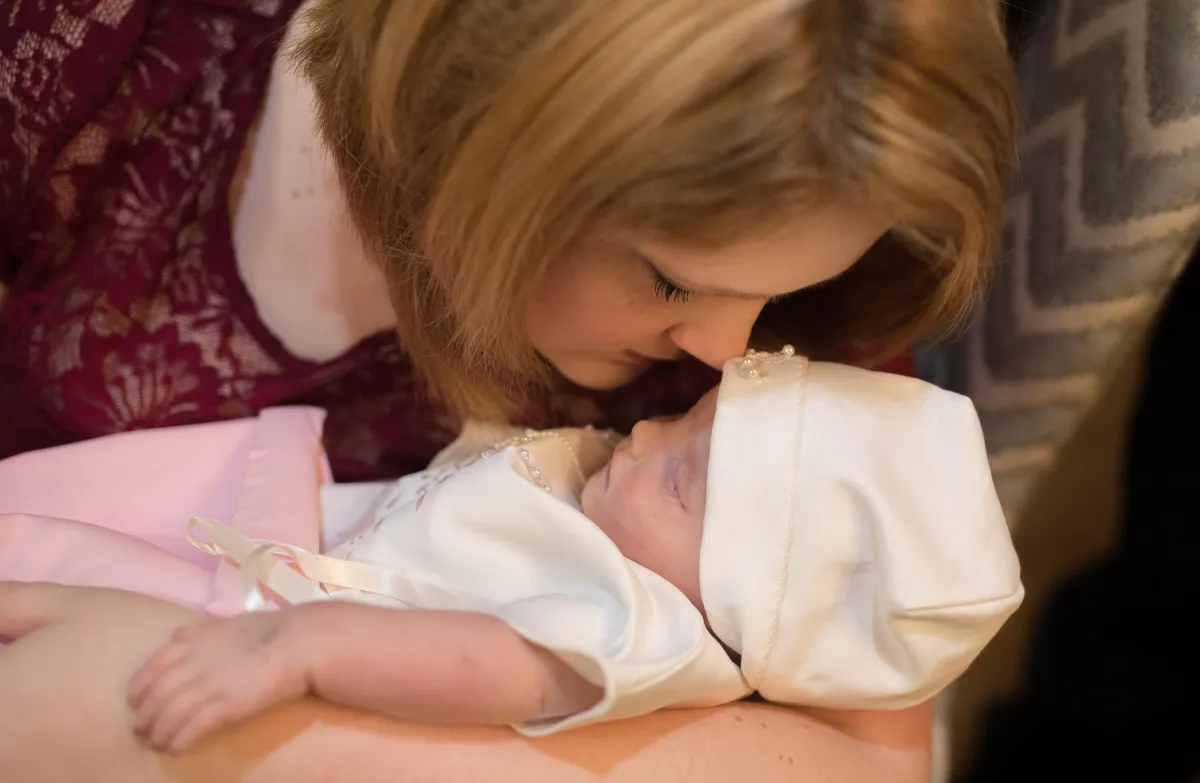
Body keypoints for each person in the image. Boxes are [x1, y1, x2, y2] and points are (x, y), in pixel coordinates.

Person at [0, 0, 1015, 482]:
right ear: (500, 134)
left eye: (774, 296)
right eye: (670, 281)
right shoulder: (100, 51)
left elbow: (865, 749)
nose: (726, 354)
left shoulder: (793, 331)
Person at [6, 349, 1023, 754]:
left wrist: (301, 651)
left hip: (286, 623)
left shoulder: (649, 629)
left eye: (682, 478)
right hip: (303, 551)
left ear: (738, 605)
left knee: (50, 569)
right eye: (684, 420)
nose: (650, 439)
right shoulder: (627, 516)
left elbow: (494, 667)